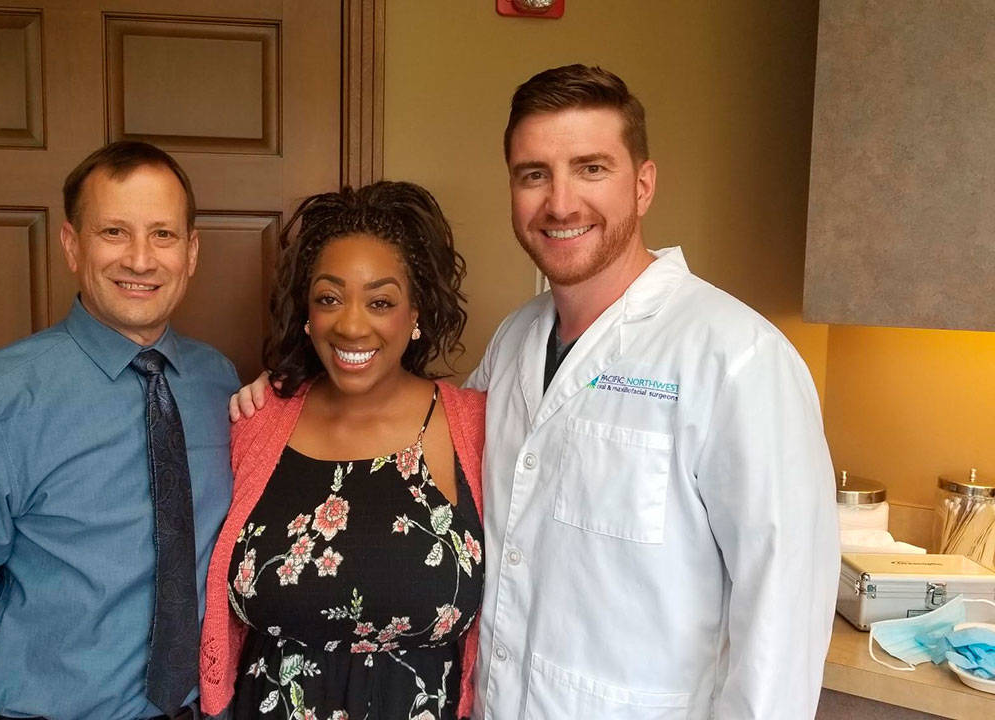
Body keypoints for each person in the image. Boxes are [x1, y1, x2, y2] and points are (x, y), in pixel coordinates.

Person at [234, 66, 840, 719]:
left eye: (591, 168)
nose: (560, 202)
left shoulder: (736, 359)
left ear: (643, 185)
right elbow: (420, 462)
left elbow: (783, 616)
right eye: (534, 174)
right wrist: (291, 391)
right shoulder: (517, 342)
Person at [0, 141, 239, 720]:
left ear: (191, 252)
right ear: (71, 245)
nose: (140, 259)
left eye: (163, 234)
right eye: (113, 232)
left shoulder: (220, 382)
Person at [199, 182, 487, 720]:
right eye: (329, 298)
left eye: (380, 301)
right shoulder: (255, 423)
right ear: (307, 313)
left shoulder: (477, 427)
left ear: (416, 311)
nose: (352, 324)